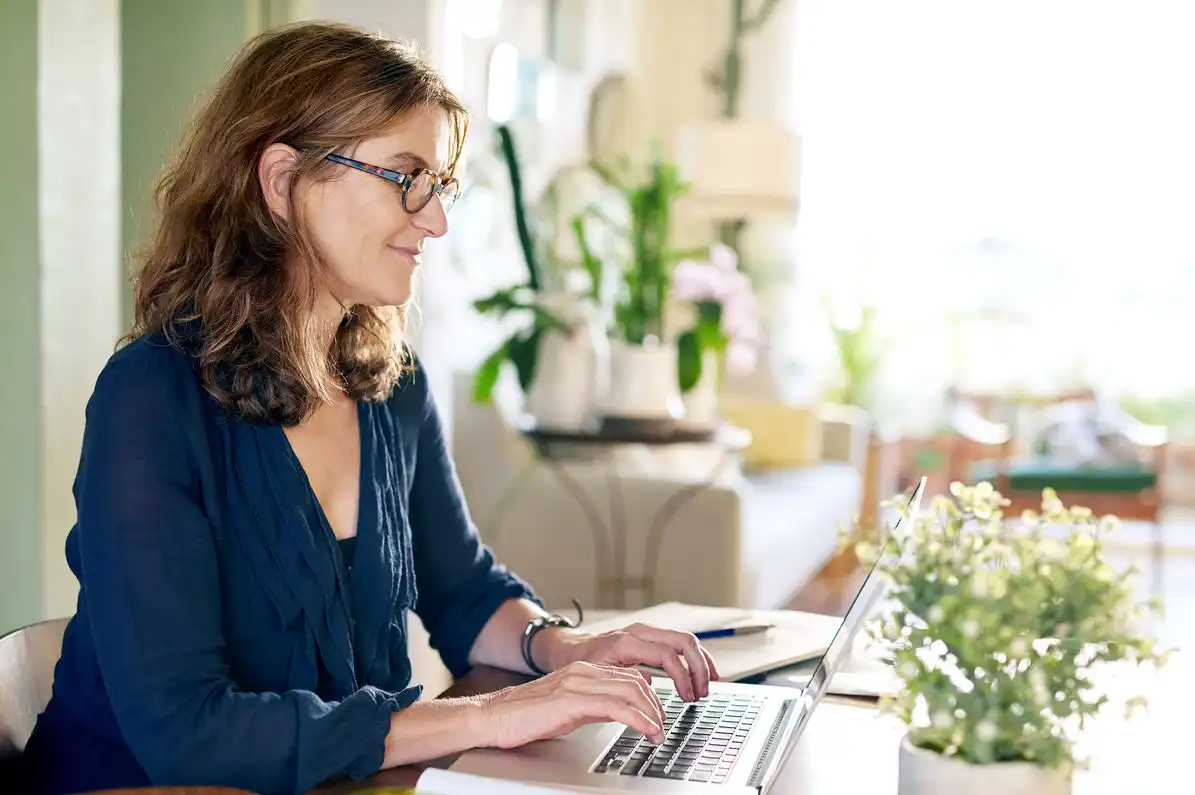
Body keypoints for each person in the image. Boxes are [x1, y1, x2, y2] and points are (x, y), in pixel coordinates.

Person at [21, 21, 717, 795]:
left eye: (440, 183)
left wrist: (566, 650)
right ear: (282, 181)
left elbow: (463, 592)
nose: (435, 218)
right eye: (406, 176)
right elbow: (191, 735)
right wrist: (495, 715)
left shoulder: (393, 382)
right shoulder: (149, 399)